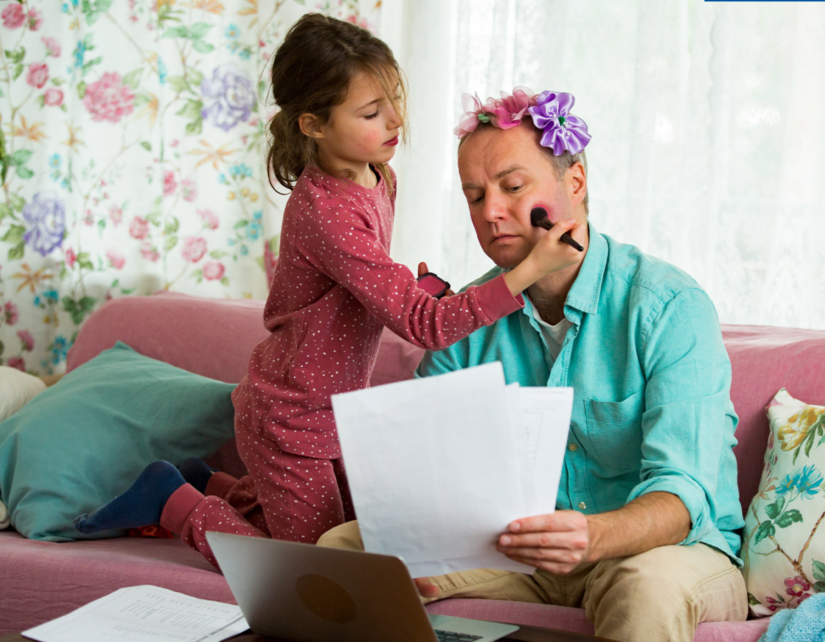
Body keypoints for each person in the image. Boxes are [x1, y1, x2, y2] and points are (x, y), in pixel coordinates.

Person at [73, 17, 582, 569]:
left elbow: (359, 281)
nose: (395, 121)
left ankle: (214, 485)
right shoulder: (325, 211)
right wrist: (531, 269)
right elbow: (425, 326)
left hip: (336, 415)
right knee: (313, 570)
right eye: (371, 113)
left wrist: (410, 285)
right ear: (313, 124)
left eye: (393, 100)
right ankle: (173, 501)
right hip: (291, 418)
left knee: (346, 538)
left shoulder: (378, 175)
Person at [317, 88, 747, 642]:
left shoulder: (668, 307)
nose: (492, 211)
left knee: (647, 586)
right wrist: (417, 535)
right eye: (474, 197)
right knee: (348, 551)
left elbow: (681, 495)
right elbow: (428, 472)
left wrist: (590, 536)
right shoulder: (464, 319)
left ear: (575, 182)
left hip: (666, 551)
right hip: (517, 552)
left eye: (513, 187)